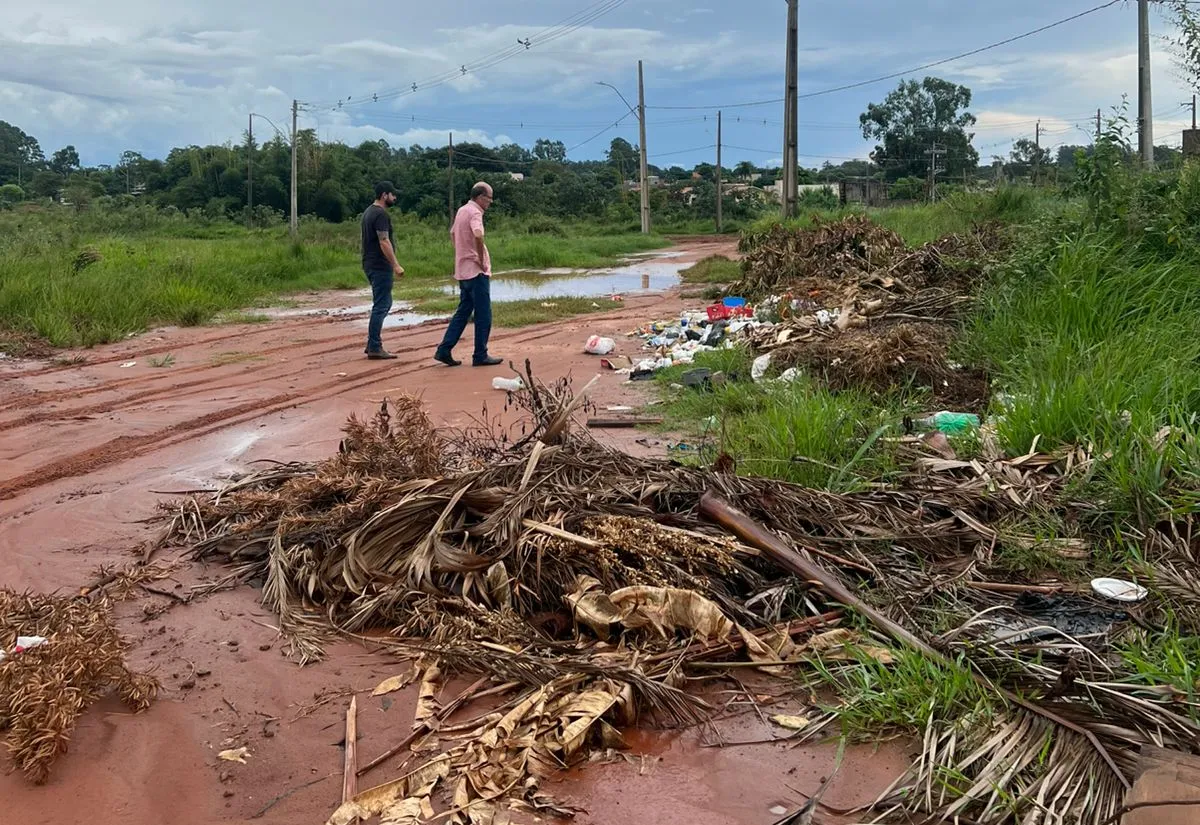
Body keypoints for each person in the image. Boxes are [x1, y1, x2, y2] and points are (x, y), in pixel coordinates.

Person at [434, 181, 502, 367]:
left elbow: (452, 233)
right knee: (483, 314)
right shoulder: (475, 213)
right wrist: (480, 258)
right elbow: (478, 234)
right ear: (480, 197)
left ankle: (444, 349)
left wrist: (461, 252)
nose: (490, 202)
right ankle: (480, 354)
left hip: (463, 271)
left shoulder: (462, 210)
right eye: (489, 198)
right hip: (476, 272)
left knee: (463, 311)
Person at [360, 181, 405, 359]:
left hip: (369, 263)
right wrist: (395, 264)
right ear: (384, 195)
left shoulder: (368, 212)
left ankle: (371, 343)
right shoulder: (380, 214)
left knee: (383, 303)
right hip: (379, 265)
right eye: (393, 194)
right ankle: (374, 347)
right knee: (382, 305)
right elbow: (384, 241)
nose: (395, 198)